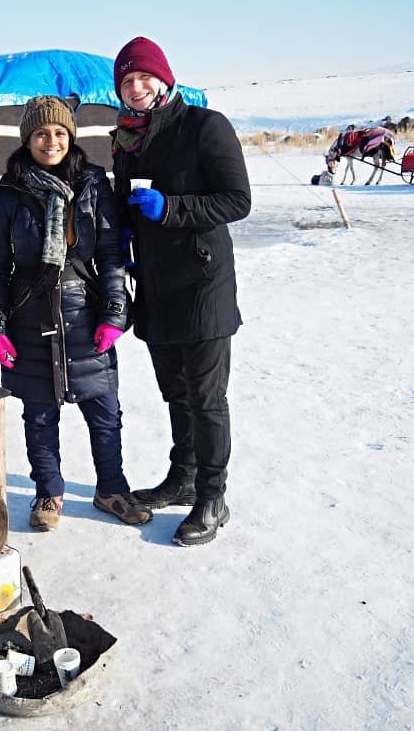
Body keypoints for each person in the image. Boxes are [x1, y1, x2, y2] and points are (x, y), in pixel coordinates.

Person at [0, 95, 152, 532]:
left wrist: (115, 313)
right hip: (28, 316)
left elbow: (113, 252)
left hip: (84, 311)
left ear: (70, 136)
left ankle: (111, 489)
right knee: (39, 415)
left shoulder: (93, 184)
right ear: (27, 139)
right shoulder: (9, 191)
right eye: (41, 133)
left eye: (59, 132)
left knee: (104, 410)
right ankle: (48, 491)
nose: (51, 141)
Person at [109, 36, 251, 546]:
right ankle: (184, 476)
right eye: (127, 81)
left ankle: (213, 497)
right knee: (175, 392)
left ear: (164, 79)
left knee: (206, 397)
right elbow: (128, 201)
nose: (136, 87)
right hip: (154, 282)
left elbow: (237, 200)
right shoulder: (126, 140)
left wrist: (170, 209)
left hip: (203, 282)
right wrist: (125, 224)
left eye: (144, 77)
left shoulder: (205, 126)